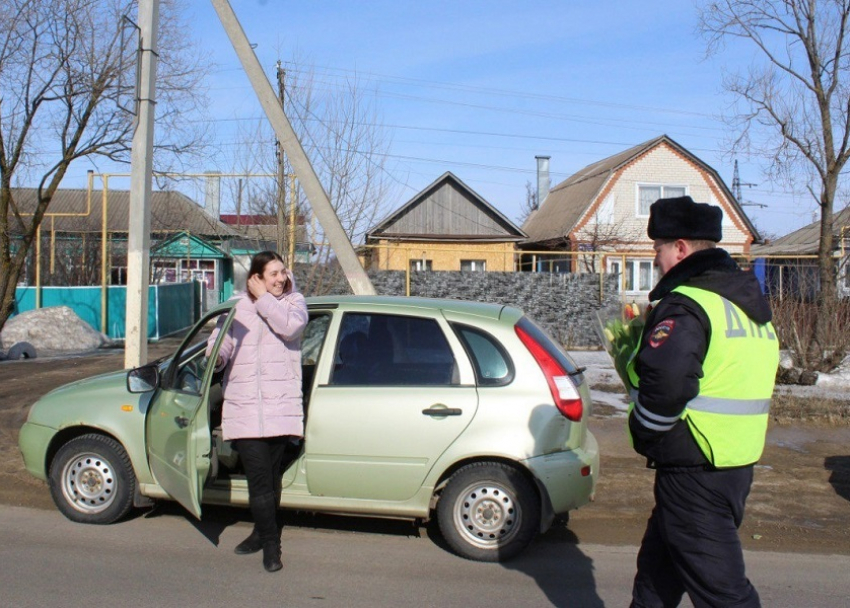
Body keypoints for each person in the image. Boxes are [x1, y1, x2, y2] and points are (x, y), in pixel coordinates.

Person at [627, 196, 779, 607]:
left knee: (724, 594)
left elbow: (667, 384)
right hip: (732, 462)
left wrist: (642, 431)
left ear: (679, 248)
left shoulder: (689, 304)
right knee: (656, 579)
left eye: (657, 249)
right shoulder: (744, 305)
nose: (655, 260)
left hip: (696, 471)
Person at [206, 251, 308, 573]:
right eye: (272, 274)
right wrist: (216, 357)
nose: (280, 278)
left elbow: (290, 328)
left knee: (272, 478)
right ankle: (271, 547)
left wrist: (264, 299)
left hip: (279, 406)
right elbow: (221, 344)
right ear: (256, 277)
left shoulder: (294, 303)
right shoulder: (237, 308)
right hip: (246, 406)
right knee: (259, 480)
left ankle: (259, 533)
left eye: (282, 272)